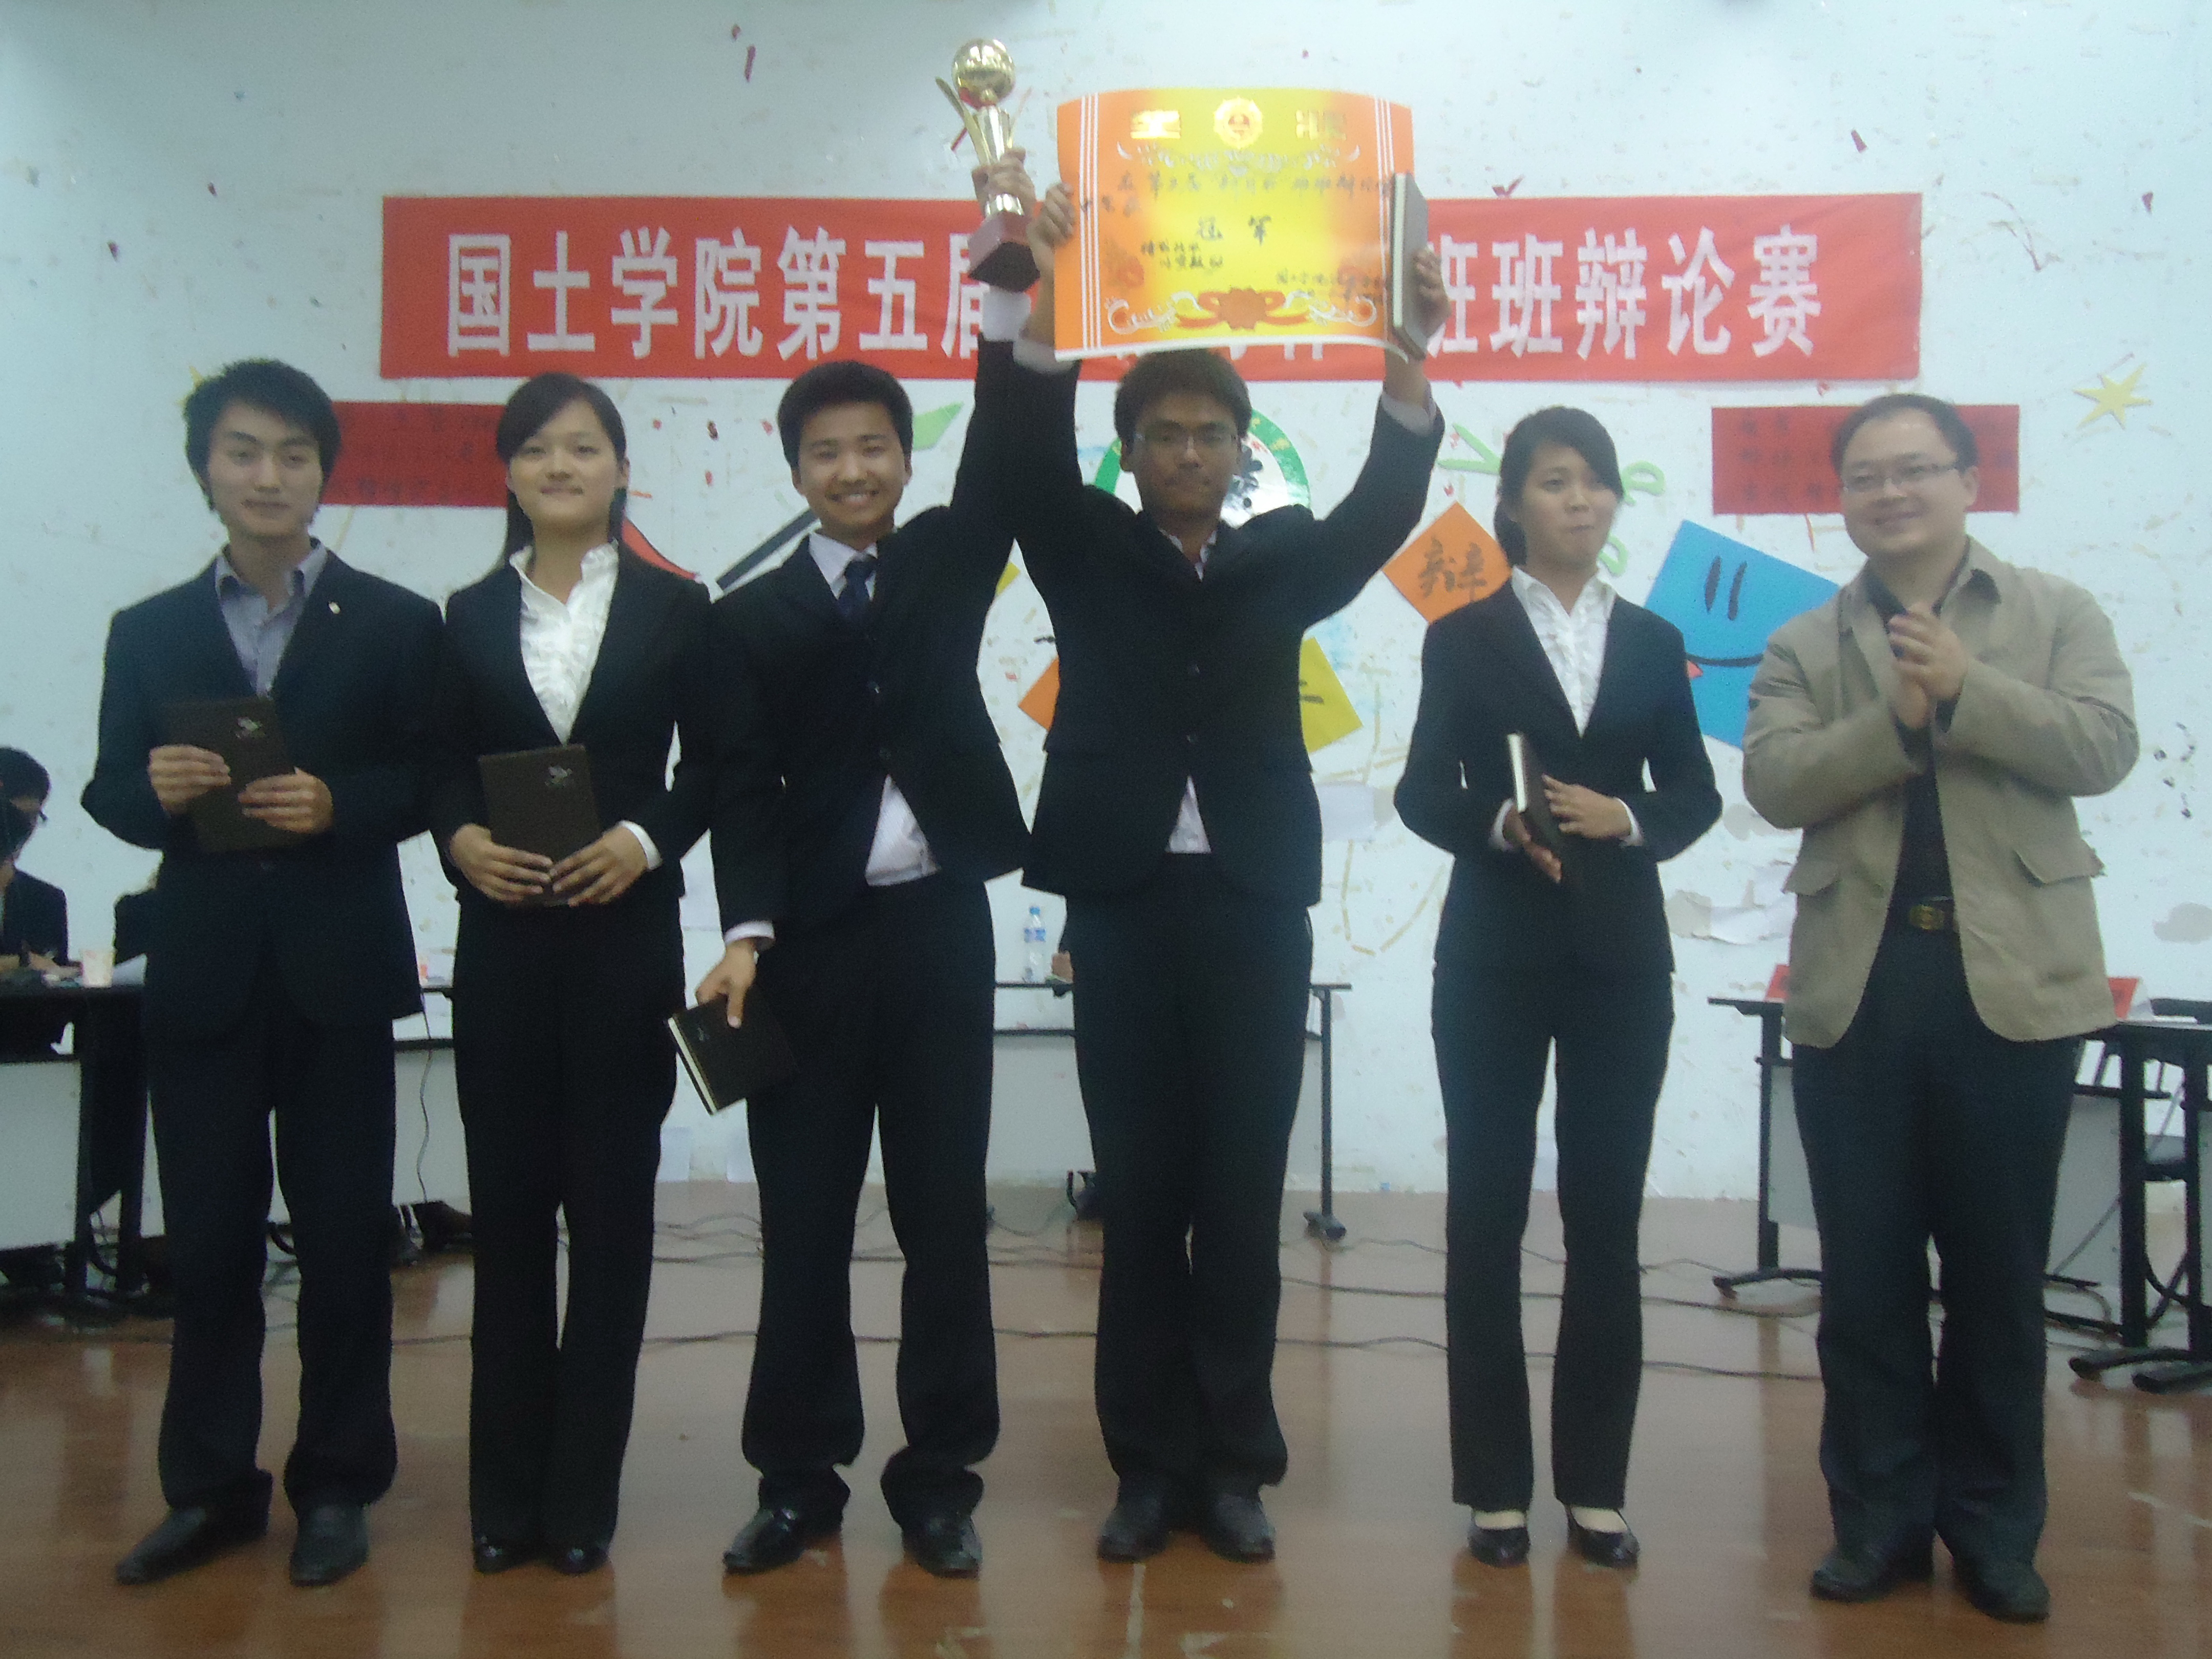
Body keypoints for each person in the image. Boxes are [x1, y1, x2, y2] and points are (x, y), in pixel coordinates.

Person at [997, 172, 1448, 1564]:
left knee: (1243, 1194)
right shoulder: (1084, 548)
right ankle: (1146, 1468)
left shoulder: (1285, 559)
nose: (1189, 450)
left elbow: (1386, 502)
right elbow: (1021, 456)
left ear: (1244, 450)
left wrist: (1407, 357)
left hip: (1253, 906)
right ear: (1129, 451)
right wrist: (1044, 311)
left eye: (1211, 432)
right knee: (1140, 1195)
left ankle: (1237, 1466)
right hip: (1123, 905)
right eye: (1165, 433)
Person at [1743, 393, 2136, 1624]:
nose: (1891, 491)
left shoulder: (2055, 613)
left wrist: (1970, 691)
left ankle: (1995, 1530)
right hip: (1860, 987)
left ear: (1969, 480)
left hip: (2010, 984)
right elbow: (1776, 780)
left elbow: (2105, 746)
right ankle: (1878, 1522)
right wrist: (1895, 721)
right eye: (1866, 474)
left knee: (1998, 1278)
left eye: (1915, 468)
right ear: (1843, 501)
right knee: (1864, 1279)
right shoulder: (1803, 640)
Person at [695, 176, 1031, 1580]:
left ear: (903, 455)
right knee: (805, 1218)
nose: (852, 468)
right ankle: (796, 1476)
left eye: (875, 445)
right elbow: (737, 786)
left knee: (946, 1213)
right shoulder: (746, 618)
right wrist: (746, 929)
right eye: (826, 452)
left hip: (942, 927)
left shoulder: (948, 560)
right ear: (797, 472)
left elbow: (1005, 450)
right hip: (811, 948)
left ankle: (941, 1477)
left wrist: (1006, 301)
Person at [82, 359, 442, 1587]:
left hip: (338, 968)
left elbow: (429, 780)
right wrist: (155, 792)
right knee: (209, 1245)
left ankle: (337, 1482)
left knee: (344, 1241)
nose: (268, 475)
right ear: (206, 470)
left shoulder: (394, 620)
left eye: (293, 453)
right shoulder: (149, 630)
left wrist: (341, 803)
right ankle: (210, 1491)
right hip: (205, 974)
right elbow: (109, 789)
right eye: (243, 451)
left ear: (323, 471)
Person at [1395, 408, 1719, 1571]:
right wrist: (1501, 821)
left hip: (1621, 961)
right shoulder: (1463, 634)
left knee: (1606, 1215)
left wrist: (1627, 815)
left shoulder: (1655, 639)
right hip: (1494, 955)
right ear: (1515, 504)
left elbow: (1694, 793)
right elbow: (1422, 790)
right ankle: (1495, 1489)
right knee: (1484, 1212)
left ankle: (1595, 1488)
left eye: (1597, 482)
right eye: (1556, 480)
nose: (1582, 499)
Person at [427, 372, 714, 1577]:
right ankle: (502, 1497)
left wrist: (644, 839)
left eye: (584, 447)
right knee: (506, 1224)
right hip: (501, 943)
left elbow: (719, 764)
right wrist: (459, 838)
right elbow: (439, 760)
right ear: (509, 472)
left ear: (620, 469)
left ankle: (582, 1494)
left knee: (610, 1224)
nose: (561, 466)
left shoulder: (677, 606)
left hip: (623, 943)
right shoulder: (464, 614)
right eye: (538, 448)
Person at [1, 750, 70, 1057]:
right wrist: (22, 964)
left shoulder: (45, 899)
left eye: (34, 818)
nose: (24, 831)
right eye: (16, 818)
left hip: (26, 1053)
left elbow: (55, 1011)